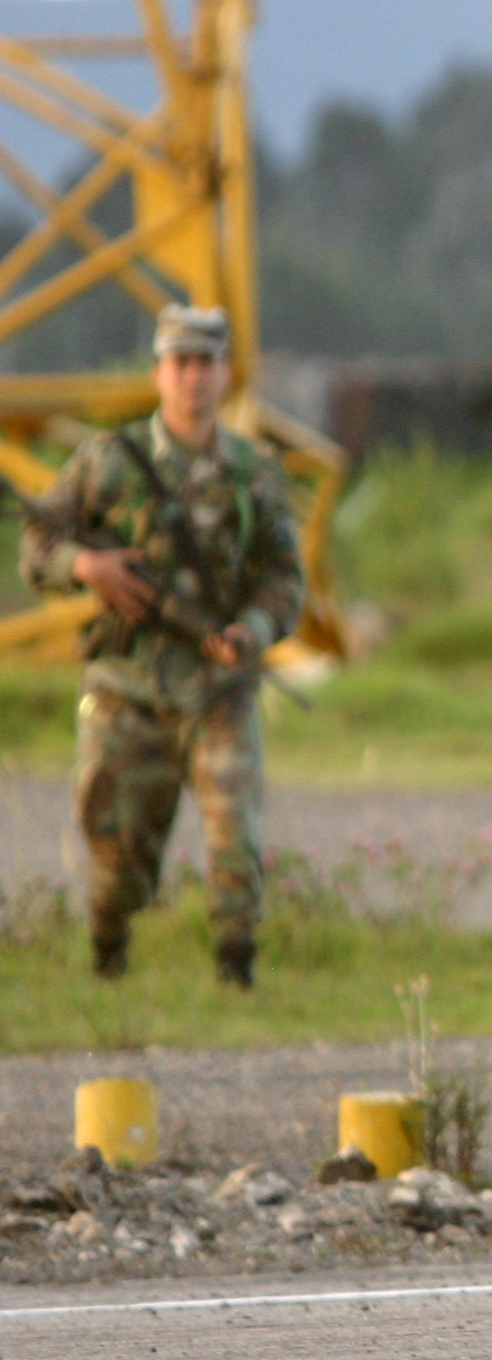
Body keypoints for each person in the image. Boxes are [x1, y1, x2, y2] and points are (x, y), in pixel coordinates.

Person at [18, 306, 302, 989]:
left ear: (226, 374)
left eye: (206, 364)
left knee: (236, 840)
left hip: (218, 688)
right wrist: (88, 569)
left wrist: (254, 632)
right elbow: (37, 546)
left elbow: (282, 577)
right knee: (116, 853)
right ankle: (107, 963)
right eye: (180, 363)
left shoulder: (253, 471)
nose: (193, 378)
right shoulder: (105, 461)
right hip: (126, 688)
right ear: (158, 373)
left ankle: (238, 976)